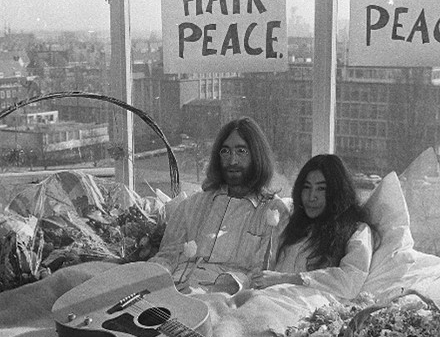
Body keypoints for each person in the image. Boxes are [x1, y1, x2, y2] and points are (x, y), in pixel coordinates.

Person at [149, 117, 289, 293]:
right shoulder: (192, 205)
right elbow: (167, 256)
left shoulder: (274, 211)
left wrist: (213, 290)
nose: (232, 161)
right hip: (173, 289)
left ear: (257, 156)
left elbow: (263, 276)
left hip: (227, 300)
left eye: (241, 151)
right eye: (225, 151)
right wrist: (145, 279)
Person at [251, 154, 375, 302]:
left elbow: (350, 281)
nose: (311, 196)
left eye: (321, 189)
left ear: (337, 191)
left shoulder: (356, 231)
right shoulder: (292, 226)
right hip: (271, 299)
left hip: (306, 307)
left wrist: (285, 279)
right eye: (307, 187)